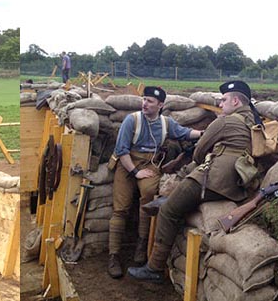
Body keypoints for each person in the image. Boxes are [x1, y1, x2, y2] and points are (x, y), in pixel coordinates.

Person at [128, 81, 257, 282]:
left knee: (168, 211)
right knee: (179, 195)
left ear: (235, 100)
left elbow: (199, 153)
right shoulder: (252, 121)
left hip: (212, 180)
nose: (221, 104)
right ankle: (172, 199)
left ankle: (154, 268)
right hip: (236, 182)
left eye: (224, 100)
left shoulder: (226, 121)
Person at [108, 86, 202, 278]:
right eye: (144, 99)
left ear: (160, 105)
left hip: (150, 165)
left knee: (149, 197)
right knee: (121, 207)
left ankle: (141, 247)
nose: (145, 104)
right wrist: (135, 172)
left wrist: (206, 133)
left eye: (150, 101)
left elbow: (185, 133)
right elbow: (121, 150)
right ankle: (113, 256)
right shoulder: (131, 120)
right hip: (127, 164)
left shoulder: (166, 123)